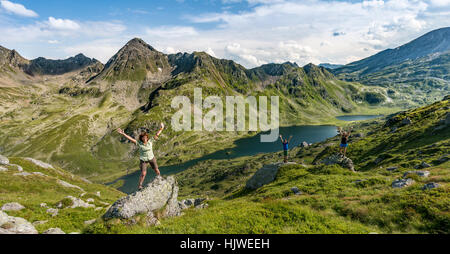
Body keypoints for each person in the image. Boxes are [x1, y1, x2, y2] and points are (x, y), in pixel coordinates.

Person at [117, 123, 165, 190]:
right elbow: (131, 139)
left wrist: (161, 128)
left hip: (151, 158)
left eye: (145, 137)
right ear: (141, 138)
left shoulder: (150, 141)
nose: (144, 138)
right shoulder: (139, 143)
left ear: (147, 138)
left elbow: (157, 134)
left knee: (156, 169)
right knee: (143, 173)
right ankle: (140, 185)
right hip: (143, 160)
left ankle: (160, 178)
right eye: (143, 137)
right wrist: (123, 134)